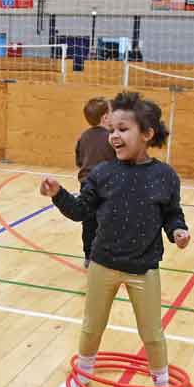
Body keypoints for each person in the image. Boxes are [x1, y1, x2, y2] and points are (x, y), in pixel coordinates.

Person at [40, 91, 190, 387]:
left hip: (143, 268)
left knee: (152, 332)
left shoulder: (165, 176)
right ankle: (83, 375)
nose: (114, 136)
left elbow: (171, 213)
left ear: (147, 134)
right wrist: (58, 194)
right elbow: (80, 211)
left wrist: (177, 230)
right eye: (112, 130)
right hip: (103, 264)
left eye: (123, 129)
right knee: (92, 325)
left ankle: (162, 385)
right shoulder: (102, 174)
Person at [75, 97, 116, 267]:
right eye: (112, 112)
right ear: (105, 117)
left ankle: (89, 256)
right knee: (109, 221)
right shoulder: (112, 138)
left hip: (87, 184)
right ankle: (107, 256)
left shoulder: (83, 137)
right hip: (107, 186)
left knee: (89, 221)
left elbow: (79, 161)